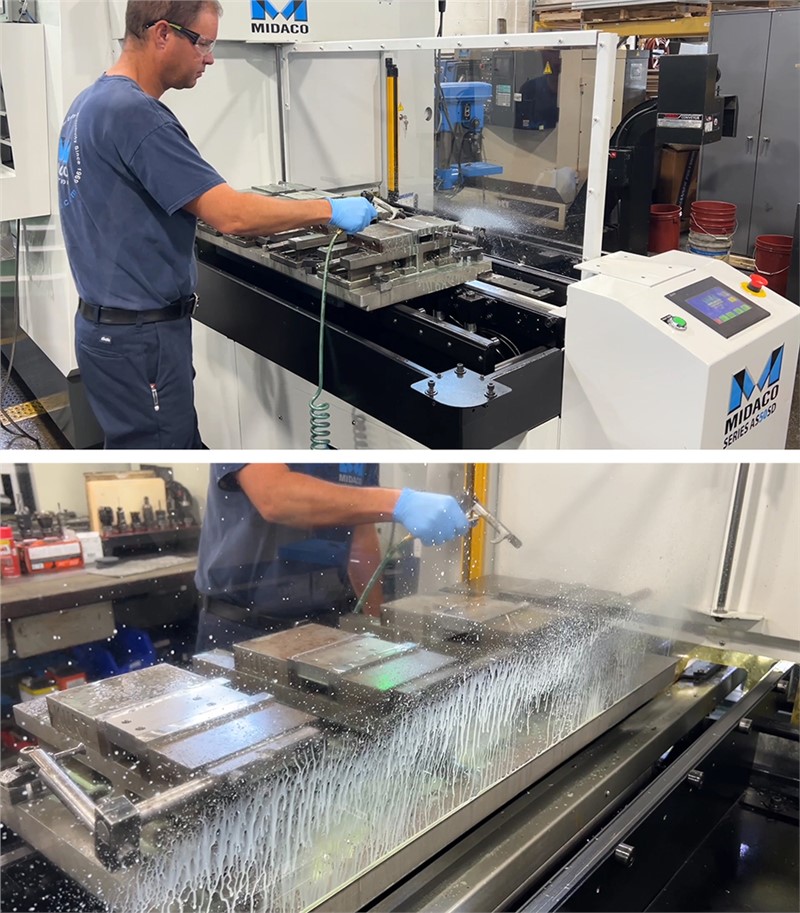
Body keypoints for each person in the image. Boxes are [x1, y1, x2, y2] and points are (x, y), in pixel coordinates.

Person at [57, 1, 376, 449]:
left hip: (107, 334)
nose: (210, 57)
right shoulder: (136, 115)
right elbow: (232, 215)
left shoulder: (89, 103)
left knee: (169, 449)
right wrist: (329, 209)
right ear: (163, 34)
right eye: (203, 42)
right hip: (141, 343)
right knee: (166, 464)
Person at [194, 464, 470, 650]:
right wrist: (399, 502)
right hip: (241, 629)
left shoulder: (358, 449)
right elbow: (274, 496)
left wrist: (378, 628)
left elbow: (360, 539)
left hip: (323, 631)